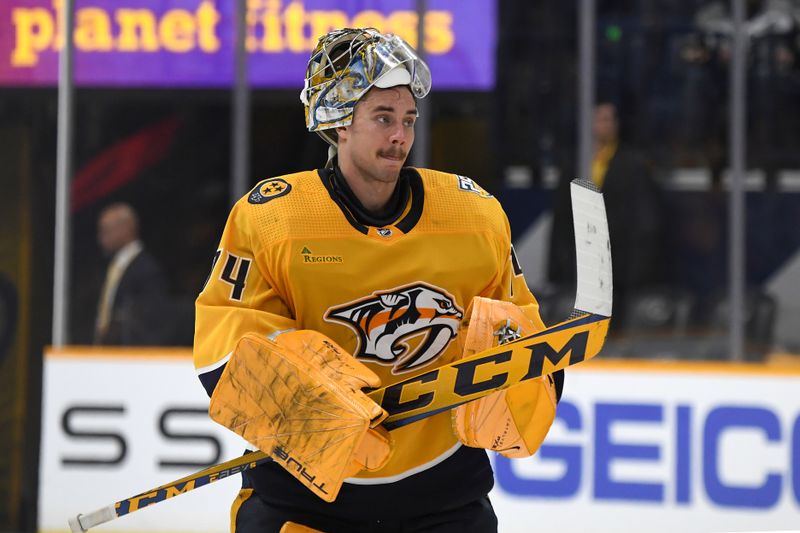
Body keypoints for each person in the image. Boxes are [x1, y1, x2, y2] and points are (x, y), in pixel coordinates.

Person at [194, 28, 563, 533]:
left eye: (408, 119)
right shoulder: (273, 219)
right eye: (383, 118)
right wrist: (307, 410)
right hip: (305, 499)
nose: (400, 136)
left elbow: (524, 329)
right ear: (340, 123)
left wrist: (521, 372)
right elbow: (223, 344)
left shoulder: (472, 215)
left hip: (443, 498)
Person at [548, 101, 663, 329]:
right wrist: (556, 265)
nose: (605, 125)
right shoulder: (574, 163)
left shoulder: (632, 164)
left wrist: (639, 265)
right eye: (600, 119)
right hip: (580, 261)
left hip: (619, 265)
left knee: (616, 323)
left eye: (609, 119)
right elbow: (561, 218)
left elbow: (644, 218)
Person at [95, 202, 169, 345]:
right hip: (106, 353)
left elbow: (150, 319)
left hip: (132, 353)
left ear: (126, 229)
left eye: (106, 231)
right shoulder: (110, 266)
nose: (101, 238)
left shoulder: (147, 269)